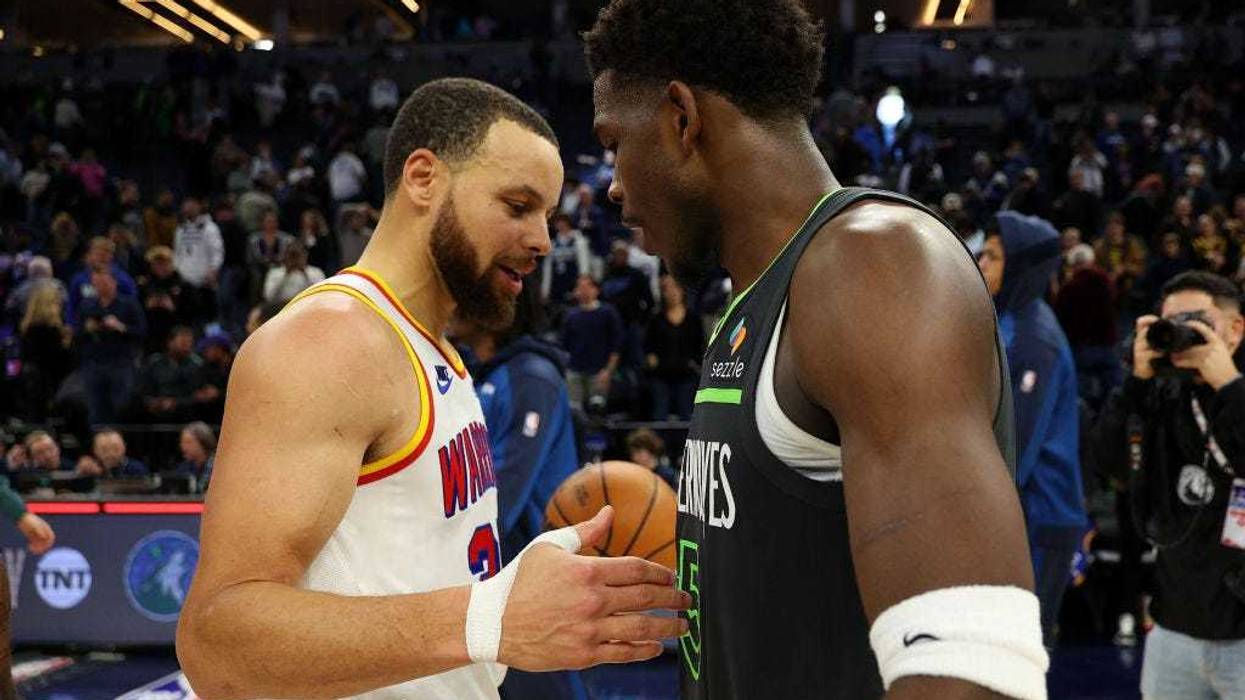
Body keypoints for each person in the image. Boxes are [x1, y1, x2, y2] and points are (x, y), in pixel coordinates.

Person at [585, 1, 1043, 698]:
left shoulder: (874, 265)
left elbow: (972, 667)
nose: (613, 183)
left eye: (614, 142)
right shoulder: (756, 298)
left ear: (680, 117)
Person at [177, 78, 687, 700]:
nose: (542, 241)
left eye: (547, 216)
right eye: (518, 205)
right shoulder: (329, 343)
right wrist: (491, 617)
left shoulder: (438, 352)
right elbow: (217, 639)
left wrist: (511, 593)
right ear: (423, 178)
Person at [1090, 272, 1245, 700]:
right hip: (1173, 632)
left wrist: (1229, 387)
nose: (1180, 332)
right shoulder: (1160, 395)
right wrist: (1137, 382)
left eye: (1196, 320)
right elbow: (1107, 461)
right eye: (1169, 321)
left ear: (1235, 329)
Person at [452, 284, 588, 700]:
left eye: (463, 290)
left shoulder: (531, 377)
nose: (451, 299)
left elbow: (500, 498)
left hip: (528, 578)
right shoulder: (484, 374)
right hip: (494, 581)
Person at [978, 212, 1089, 647]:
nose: (980, 262)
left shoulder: (1034, 339)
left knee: (1021, 651)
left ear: (1022, 265)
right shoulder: (1003, 322)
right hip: (1015, 511)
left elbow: (1015, 450)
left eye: (994, 256)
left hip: (1040, 517)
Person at [77, 269, 146, 424]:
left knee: (121, 407)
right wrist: (87, 329)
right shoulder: (86, 306)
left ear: (114, 282)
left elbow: (142, 332)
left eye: (104, 282)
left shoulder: (129, 304)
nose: (101, 286)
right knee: (95, 409)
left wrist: (121, 327)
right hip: (94, 363)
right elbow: (76, 335)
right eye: (97, 283)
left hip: (121, 363)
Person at [644, 274, 704, 420]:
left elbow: (700, 344)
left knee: (687, 413)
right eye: (667, 288)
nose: (672, 292)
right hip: (661, 374)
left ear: (682, 290)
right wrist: (651, 358)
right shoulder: (655, 319)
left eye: (675, 287)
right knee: (660, 413)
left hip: (686, 373)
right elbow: (647, 345)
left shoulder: (693, 318)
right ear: (662, 292)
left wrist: (694, 363)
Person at [560, 275, 624, 412]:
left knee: (597, 410)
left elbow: (616, 345)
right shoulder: (571, 315)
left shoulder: (608, 313)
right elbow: (564, 344)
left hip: (599, 370)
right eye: (580, 287)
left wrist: (608, 370)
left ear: (596, 290)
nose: (583, 291)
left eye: (587, 287)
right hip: (575, 369)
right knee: (574, 411)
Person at [79, 429, 149, 478]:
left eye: (116, 449)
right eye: (104, 450)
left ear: (124, 447)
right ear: (95, 450)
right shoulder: (90, 468)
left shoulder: (137, 469)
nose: (110, 454)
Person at [174, 421, 216, 491]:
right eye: (182, 442)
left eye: (188, 442)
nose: (182, 446)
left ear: (202, 443)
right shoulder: (183, 468)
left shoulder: (217, 468)